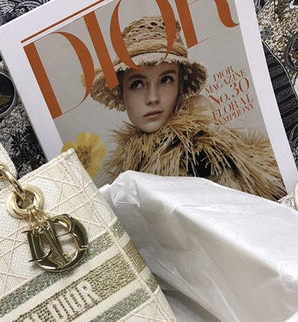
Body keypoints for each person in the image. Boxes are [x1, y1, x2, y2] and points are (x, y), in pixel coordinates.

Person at [89, 16, 286, 200]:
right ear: (122, 93)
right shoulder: (131, 163)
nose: (152, 98)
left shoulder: (200, 155)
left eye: (166, 80)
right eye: (137, 84)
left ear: (180, 86)